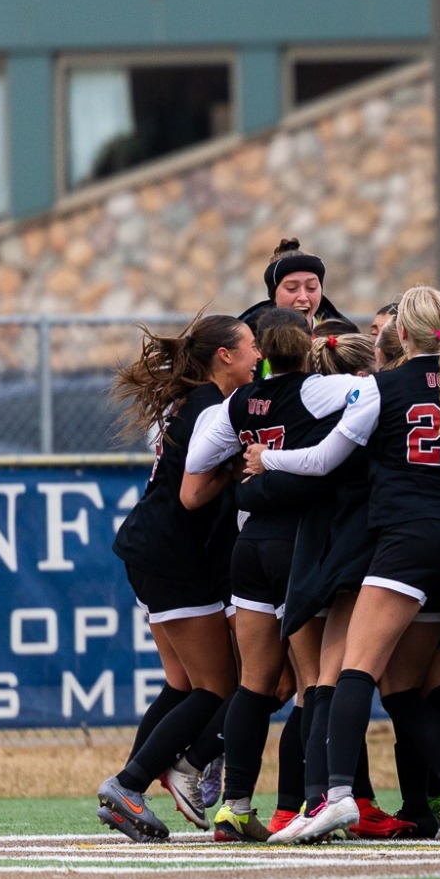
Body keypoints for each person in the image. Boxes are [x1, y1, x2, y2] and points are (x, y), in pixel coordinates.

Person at [248, 285, 440, 842]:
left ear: (400, 334)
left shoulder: (380, 387)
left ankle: (338, 798)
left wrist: (266, 457)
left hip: (410, 538)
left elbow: (325, 459)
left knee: (358, 668)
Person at [177, 311, 387, 841]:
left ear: (264, 354)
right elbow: (371, 390)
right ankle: (316, 801)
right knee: (315, 681)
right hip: (300, 544)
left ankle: (235, 805)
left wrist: (244, 461)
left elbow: (200, 458)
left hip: (250, 546)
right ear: (308, 348)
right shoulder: (320, 390)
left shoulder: (238, 402)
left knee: (254, 682)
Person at [97, 314, 258, 841]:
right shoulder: (211, 407)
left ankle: (133, 785)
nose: (257, 356)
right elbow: (192, 495)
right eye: (250, 347)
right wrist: (236, 470)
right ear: (224, 356)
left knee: (183, 683)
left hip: (153, 549)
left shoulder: (194, 401)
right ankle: (130, 782)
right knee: (218, 685)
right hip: (171, 554)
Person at [237, 238, 350, 341]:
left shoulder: (344, 337)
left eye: (311, 288)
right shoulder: (249, 338)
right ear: (274, 295)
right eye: (292, 288)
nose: (303, 297)